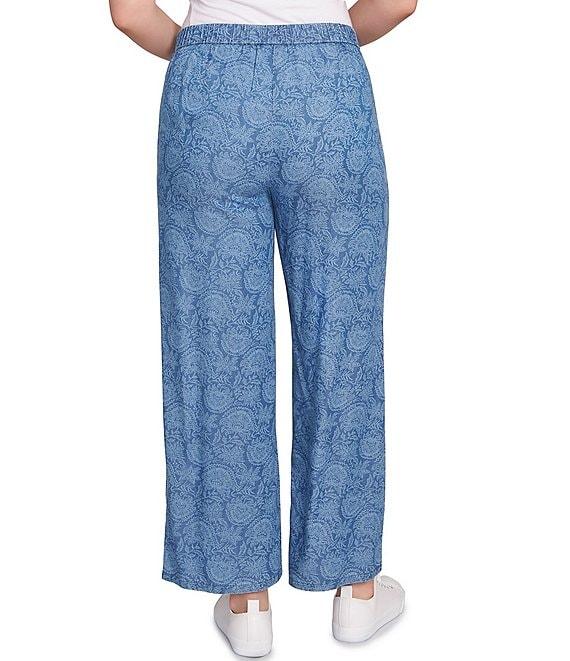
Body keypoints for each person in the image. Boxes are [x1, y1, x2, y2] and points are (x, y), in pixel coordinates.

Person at [110, 0, 416, 655]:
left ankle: (245, 600)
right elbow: (398, 2)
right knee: (343, 339)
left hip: (210, 97)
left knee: (216, 347)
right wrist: (325, 41)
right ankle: (357, 591)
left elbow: (130, 14)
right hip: (327, 93)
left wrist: (205, 55)